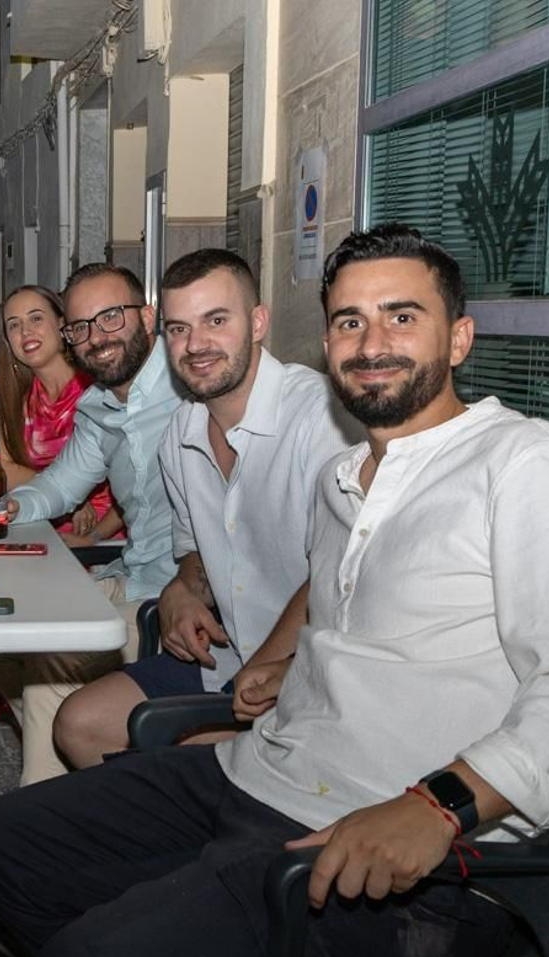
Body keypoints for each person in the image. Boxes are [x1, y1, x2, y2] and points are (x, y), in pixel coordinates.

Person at [0, 223, 549, 957]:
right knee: (3, 848)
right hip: (262, 774)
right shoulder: (347, 481)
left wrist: (438, 803)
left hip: (415, 863)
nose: (372, 343)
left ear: (461, 336)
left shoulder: (530, 466)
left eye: (402, 317)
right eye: (348, 322)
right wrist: (271, 662)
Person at [54, 249, 360, 769]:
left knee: (175, 761)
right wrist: (181, 590)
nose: (196, 345)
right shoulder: (182, 431)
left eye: (216, 321)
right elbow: (194, 547)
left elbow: (338, 570)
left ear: (258, 321)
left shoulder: (321, 420)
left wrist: (265, 666)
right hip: (227, 658)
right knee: (79, 724)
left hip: (313, 676)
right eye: (178, 329)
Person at [0, 263, 181, 784]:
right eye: (82, 327)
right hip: (128, 572)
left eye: (111, 318)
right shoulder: (98, 407)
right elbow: (60, 485)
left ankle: (51, 804)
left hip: (174, 598)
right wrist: (3, 509)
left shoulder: (192, 391)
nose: (97, 337)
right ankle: (76, 776)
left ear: (149, 316)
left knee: (48, 659)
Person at [0, 284, 121, 546]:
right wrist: (70, 498)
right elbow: (2, 467)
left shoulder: (98, 390)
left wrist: (95, 537)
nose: (26, 331)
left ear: (63, 325)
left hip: (104, 545)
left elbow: (136, 480)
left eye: (36, 318)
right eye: (14, 325)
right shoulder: (22, 400)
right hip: (40, 531)